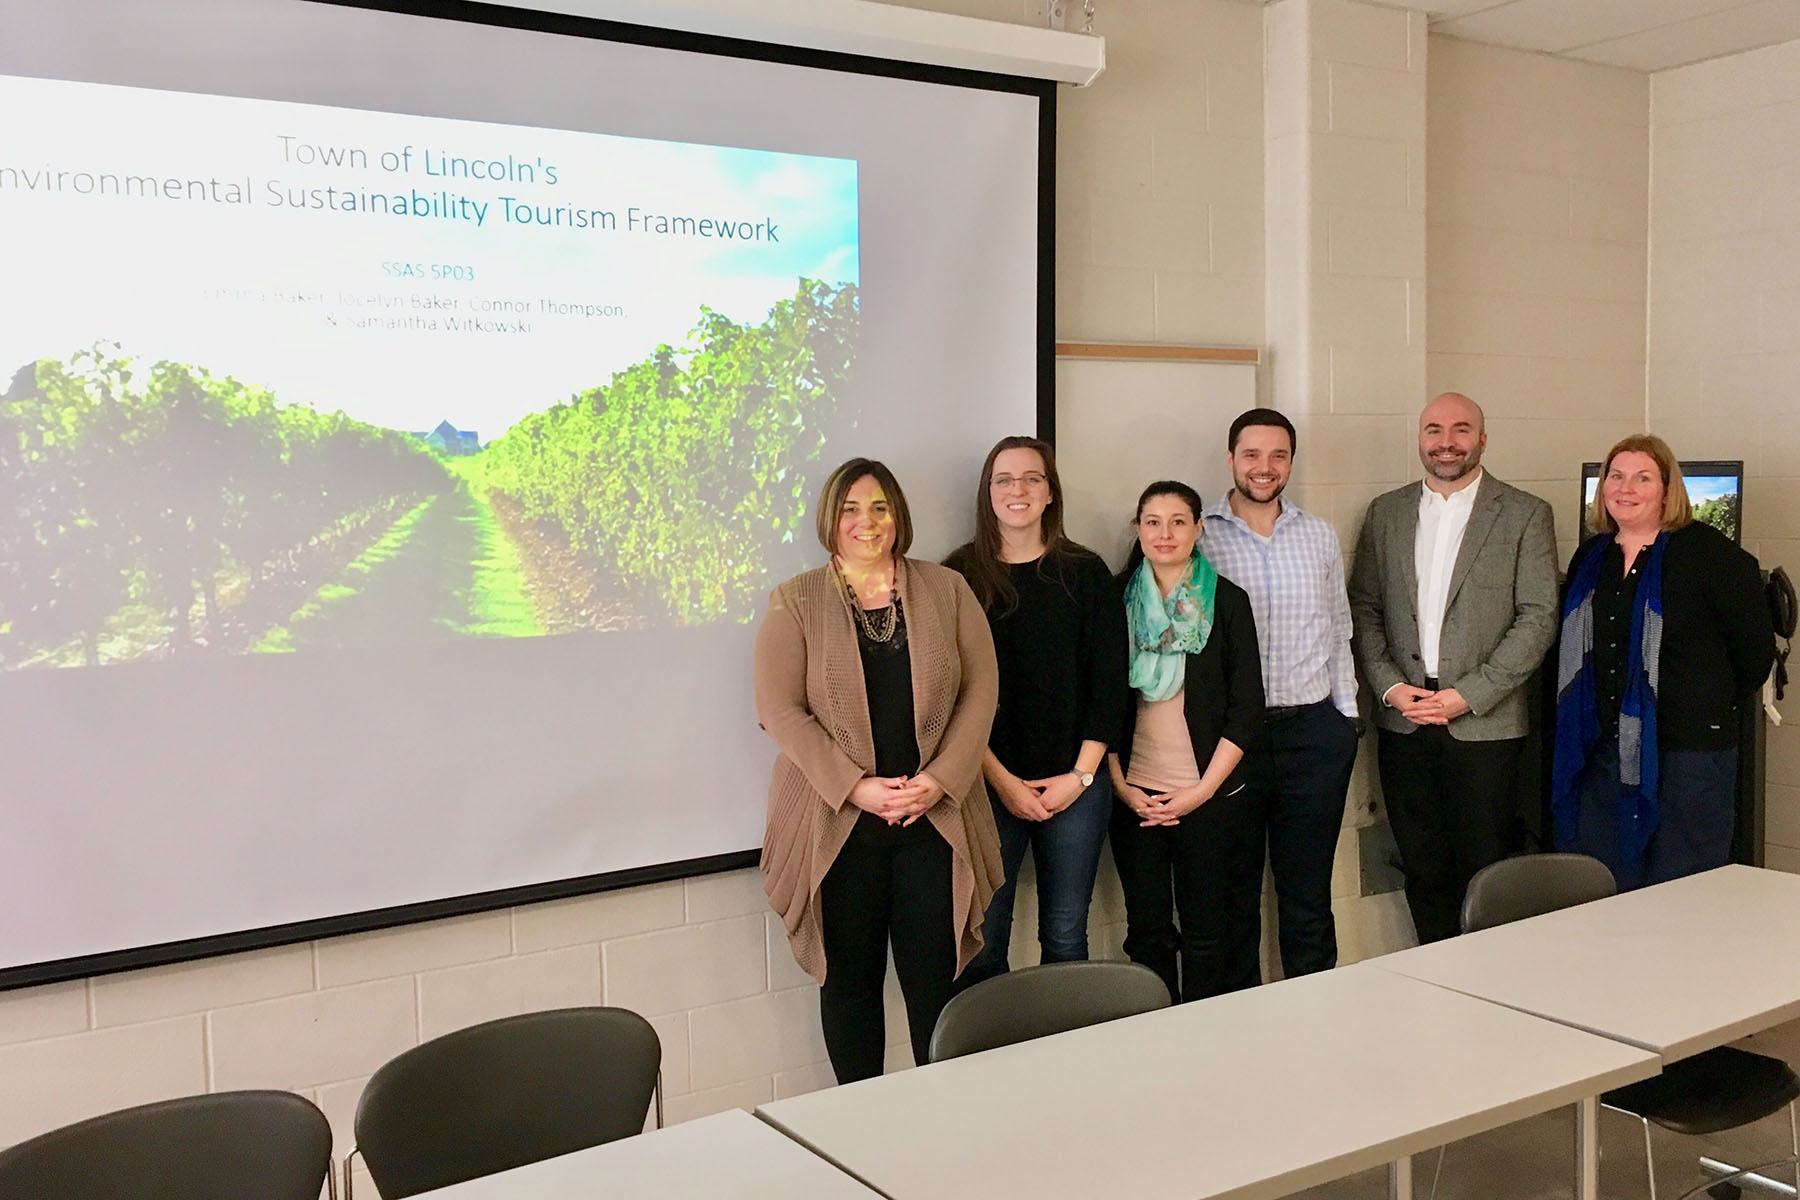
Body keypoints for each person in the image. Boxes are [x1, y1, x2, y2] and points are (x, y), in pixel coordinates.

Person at [753, 457, 1002, 1083]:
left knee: (936, 988)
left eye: (880, 507)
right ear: (830, 519)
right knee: (850, 988)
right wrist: (855, 787)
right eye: (851, 509)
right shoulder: (796, 599)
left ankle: (938, 1128)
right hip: (837, 828)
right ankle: (860, 1130)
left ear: (899, 516)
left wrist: (941, 779)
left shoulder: (947, 589)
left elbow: (981, 692)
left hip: (933, 823)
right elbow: (778, 709)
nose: (867, 522)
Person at [1348, 392, 1558, 944]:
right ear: (1420, 439)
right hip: (1405, 719)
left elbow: (1538, 618)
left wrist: (1470, 694)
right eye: (1434, 430)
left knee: (1485, 869)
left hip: (1483, 722)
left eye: (1461, 430)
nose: (1447, 442)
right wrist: (1391, 686)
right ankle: (1438, 977)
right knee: (1421, 864)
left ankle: (1487, 988)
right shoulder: (1386, 512)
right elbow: (1363, 607)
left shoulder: (1525, 513)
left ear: (1482, 440)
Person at [944, 436, 1126, 990]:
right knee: (984, 943)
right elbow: (949, 697)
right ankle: (988, 1072)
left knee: (1067, 937)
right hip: (987, 785)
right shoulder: (956, 578)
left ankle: (1062, 1074)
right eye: (1004, 479)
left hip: (1078, 785)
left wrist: (1079, 777)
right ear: (987, 493)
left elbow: (1109, 685)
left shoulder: (1086, 573)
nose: (1017, 489)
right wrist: (1003, 783)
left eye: (1031, 478)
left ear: (1050, 493)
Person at [1553, 435, 1773, 890]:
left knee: (1684, 893)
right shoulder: (1591, 557)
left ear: (1668, 490)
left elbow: (1755, 653)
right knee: (1606, 888)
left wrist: (1702, 703)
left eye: (1643, 477)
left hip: (1688, 756)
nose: (1626, 488)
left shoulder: (1711, 555)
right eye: (1616, 476)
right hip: (1603, 752)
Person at [1202, 408, 1359, 978]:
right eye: (1251, 455)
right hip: (1231, 743)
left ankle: (1313, 1029)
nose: (1264, 468)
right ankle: (1244, 1035)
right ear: (1231, 460)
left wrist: (1346, 718)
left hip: (1314, 735)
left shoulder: (1317, 534)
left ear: (1290, 461)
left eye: (1278, 456)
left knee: (1309, 897)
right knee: (1234, 899)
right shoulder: (1200, 535)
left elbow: (1338, 628)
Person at [1108, 480, 1265, 1003]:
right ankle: (1156, 1043)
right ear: (1138, 529)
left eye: (1179, 521)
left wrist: (1199, 794)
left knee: (1207, 933)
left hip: (1210, 796)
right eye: (1153, 522)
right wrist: (1122, 790)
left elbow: (1245, 711)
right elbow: (1099, 707)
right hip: (1135, 797)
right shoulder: (1114, 603)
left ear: (1199, 528)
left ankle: (1205, 1046)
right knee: (1147, 933)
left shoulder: (1229, 602)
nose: (1165, 533)